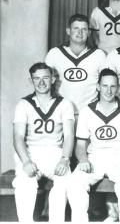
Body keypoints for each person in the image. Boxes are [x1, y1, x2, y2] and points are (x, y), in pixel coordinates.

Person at [67, 68, 120, 222]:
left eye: (113, 86)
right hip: (94, 158)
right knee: (74, 183)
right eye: (105, 86)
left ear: (118, 88)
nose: (109, 90)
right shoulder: (87, 111)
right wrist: (83, 160)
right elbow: (80, 145)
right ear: (98, 86)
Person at [12, 62, 75, 222]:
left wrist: (64, 159)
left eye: (46, 78)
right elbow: (18, 137)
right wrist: (26, 162)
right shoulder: (23, 104)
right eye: (37, 78)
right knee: (24, 182)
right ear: (31, 81)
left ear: (53, 79)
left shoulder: (65, 104)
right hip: (30, 151)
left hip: (55, 151)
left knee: (64, 181)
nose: (41, 82)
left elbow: (69, 136)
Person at [45, 13, 107, 116]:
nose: (80, 33)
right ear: (68, 31)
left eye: (84, 29)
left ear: (89, 32)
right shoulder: (55, 53)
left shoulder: (99, 55)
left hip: (90, 114)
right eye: (76, 28)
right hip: (61, 113)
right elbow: (45, 82)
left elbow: (106, 84)